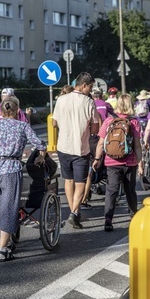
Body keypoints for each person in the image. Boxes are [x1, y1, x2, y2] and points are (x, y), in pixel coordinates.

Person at [0, 96, 46, 262]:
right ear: (18, 110)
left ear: (2, 111)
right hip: (11, 169)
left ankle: (6, 239)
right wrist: (41, 157)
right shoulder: (22, 125)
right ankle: (2, 249)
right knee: (10, 208)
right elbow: (39, 144)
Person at [53, 72, 100, 229]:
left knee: (68, 180)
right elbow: (94, 128)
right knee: (81, 182)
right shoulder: (88, 102)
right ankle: (74, 212)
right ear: (84, 85)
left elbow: (54, 122)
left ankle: (74, 211)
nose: (91, 90)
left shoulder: (61, 99)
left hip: (63, 147)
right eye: (91, 87)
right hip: (80, 148)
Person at [93, 94, 143, 231]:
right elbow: (137, 146)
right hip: (130, 162)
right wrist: (140, 163)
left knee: (111, 190)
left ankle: (108, 219)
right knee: (130, 190)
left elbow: (100, 143)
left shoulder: (109, 120)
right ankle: (134, 215)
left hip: (111, 161)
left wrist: (97, 159)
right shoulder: (134, 122)